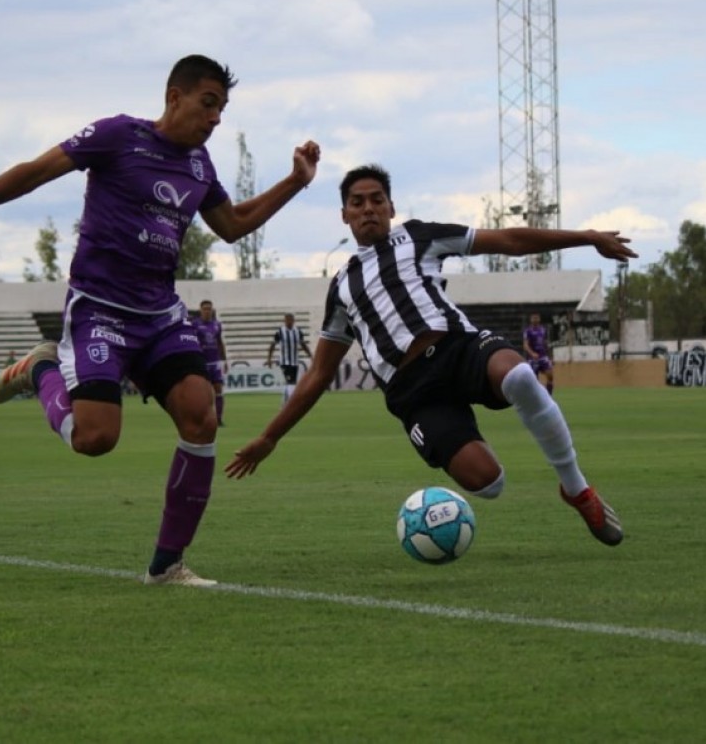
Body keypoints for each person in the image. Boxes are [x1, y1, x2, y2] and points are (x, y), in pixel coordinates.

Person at [0, 54, 320, 585]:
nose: (216, 118)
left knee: (201, 417)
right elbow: (31, 174)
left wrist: (296, 180)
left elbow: (234, 226)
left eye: (222, 108)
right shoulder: (117, 136)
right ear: (175, 96)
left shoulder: (199, 165)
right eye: (208, 103)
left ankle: (167, 565)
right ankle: (40, 372)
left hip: (161, 315)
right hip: (100, 309)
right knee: (96, 439)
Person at [227, 163, 636, 547]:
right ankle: (460, 437)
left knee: (520, 376)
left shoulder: (420, 236)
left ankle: (576, 488)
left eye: (377, 199)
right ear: (344, 215)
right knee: (488, 483)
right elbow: (318, 373)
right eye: (358, 202)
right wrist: (269, 437)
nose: (368, 208)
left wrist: (588, 236)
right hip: (414, 391)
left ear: (391, 207)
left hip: (457, 347)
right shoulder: (341, 287)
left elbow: (509, 240)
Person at [266, 313, 312, 405]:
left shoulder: (297, 331)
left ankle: (285, 403)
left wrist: (311, 356)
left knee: (291, 382)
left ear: (293, 321)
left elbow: (303, 345)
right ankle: (289, 403)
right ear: (284, 321)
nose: (289, 322)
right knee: (290, 382)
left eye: (290, 320)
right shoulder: (280, 332)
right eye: (287, 320)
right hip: (284, 362)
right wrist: (269, 359)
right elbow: (272, 345)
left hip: (294, 362)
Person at [193, 300, 227, 426]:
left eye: (209, 309)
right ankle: (202, 418)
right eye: (205, 309)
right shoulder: (195, 325)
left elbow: (219, 342)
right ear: (201, 310)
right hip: (202, 362)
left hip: (215, 362)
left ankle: (218, 419)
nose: (207, 311)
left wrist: (224, 360)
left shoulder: (217, 325)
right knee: (203, 392)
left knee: (218, 389)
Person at [523, 312, 554, 394]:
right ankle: (536, 396)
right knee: (534, 379)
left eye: (537, 318)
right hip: (533, 358)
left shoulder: (543, 330)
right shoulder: (528, 331)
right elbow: (525, 345)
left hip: (543, 356)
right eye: (533, 318)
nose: (535, 319)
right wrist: (532, 353)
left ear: (539, 319)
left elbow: (546, 343)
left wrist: (550, 356)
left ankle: (549, 396)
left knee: (550, 375)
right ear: (531, 319)